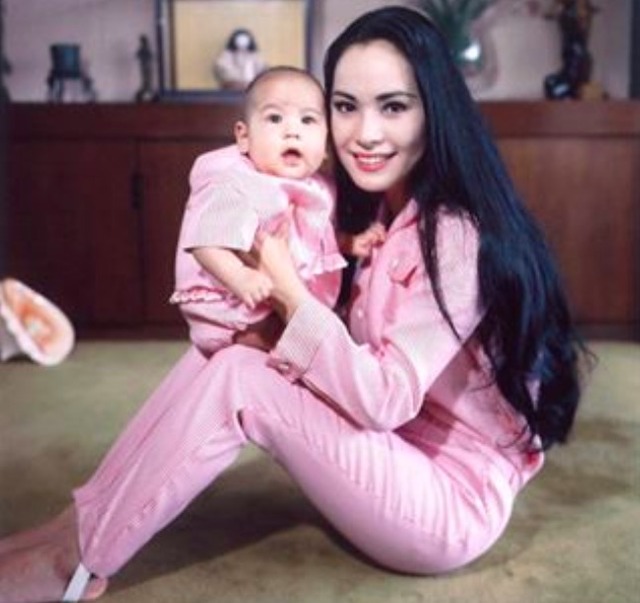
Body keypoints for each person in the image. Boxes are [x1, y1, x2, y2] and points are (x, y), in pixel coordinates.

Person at [0, 6, 591, 603]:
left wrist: (288, 291)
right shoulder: (374, 213)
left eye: (393, 107)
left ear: (435, 111)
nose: (364, 133)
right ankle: (73, 529)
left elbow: (384, 398)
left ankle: (75, 562)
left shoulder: (458, 235)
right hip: (393, 447)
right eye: (345, 106)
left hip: (445, 502)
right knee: (228, 354)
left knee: (242, 380)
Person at [169, 65, 350, 356]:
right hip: (233, 305)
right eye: (275, 118)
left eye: (307, 120)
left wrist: (349, 243)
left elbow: (311, 239)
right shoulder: (239, 182)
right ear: (244, 136)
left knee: (314, 338)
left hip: (277, 297)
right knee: (287, 347)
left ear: (326, 141)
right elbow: (205, 244)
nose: (292, 132)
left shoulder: (317, 188)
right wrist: (240, 276)